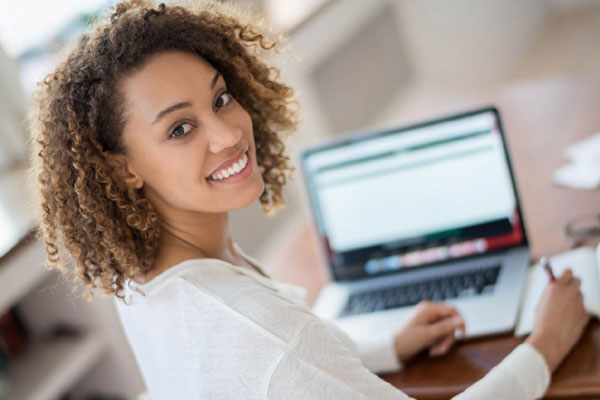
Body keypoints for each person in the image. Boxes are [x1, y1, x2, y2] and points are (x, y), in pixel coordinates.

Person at [28, 1, 590, 398]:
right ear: (122, 168)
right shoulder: (265, 333)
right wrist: (544, 345)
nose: (227, 135)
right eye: (179, 129)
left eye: (220, 98)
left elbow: (275, 376)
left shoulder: (147, 279)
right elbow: (279, 354)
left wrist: (386, 346)